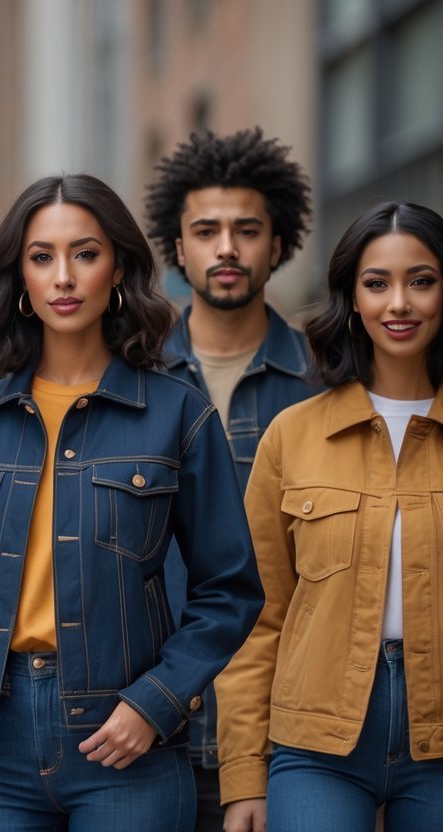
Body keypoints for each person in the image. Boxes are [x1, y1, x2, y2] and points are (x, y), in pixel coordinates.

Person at [0, 173, 265, 831]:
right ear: (21, 276)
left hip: (127, 748)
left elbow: (229, 589)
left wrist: (155, 702)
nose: (63, 276)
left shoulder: (177, 414)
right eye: (42, 257)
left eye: (84, 254)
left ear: (117, 268)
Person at [217, 202, 443, 832]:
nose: (399, 303)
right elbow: (256, 616)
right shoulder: (293, 435)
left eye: (421, 281)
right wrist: (242, 775)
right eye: (378, 284)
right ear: (352, 298)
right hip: (315, 746)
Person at [144, 127, 317, 829]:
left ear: (276, 245)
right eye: (205, 231)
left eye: (246, 230)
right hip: (144, 732)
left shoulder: (324, 386)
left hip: (291, 743)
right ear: (176, 248)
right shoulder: (131, 381)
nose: (225, 249)